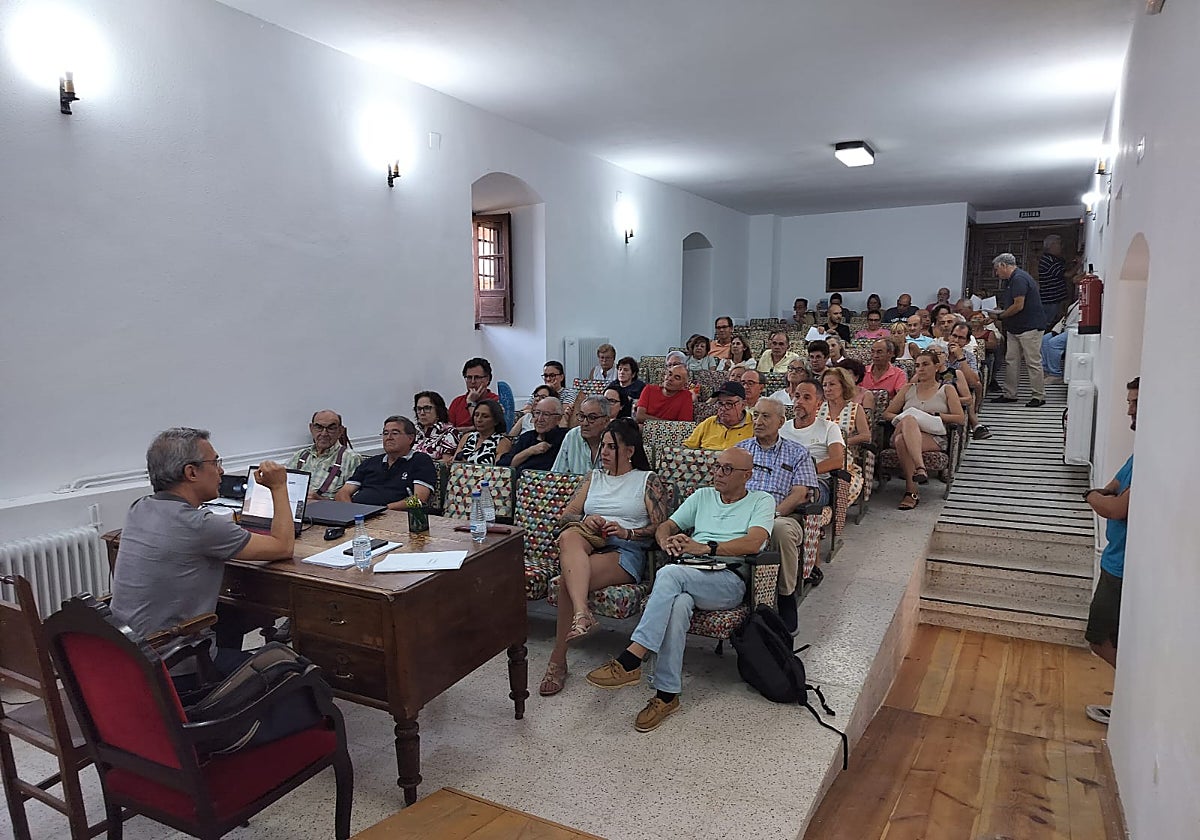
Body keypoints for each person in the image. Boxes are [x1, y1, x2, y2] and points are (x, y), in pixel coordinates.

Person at [585, 447, 774, 731]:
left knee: (670, 574)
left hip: (728, 580)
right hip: (690, 572)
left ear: (747, 476)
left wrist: (706, 547)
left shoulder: (761, 500)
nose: (717, 474)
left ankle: (632, 657)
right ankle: (666, 694)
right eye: (716, 466)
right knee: (679, 604)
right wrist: (666, 542)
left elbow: (754, 542)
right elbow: (666, 525)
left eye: (726, 469)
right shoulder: (703, 496)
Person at [111, 428, 296, 671]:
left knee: (230, 616)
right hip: (174, 663)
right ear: (191, 472)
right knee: (292, 667)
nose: (221, 470)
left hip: (130, 656)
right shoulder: (200, 526)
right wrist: (279, 487)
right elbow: (283, 546)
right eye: (215, 462)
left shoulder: (140, 507)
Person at [539, 420, 670, 697]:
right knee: (569, 536)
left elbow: (662, 528)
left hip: (624, 550)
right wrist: (586, 519)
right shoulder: (593, 477)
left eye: (612, 447)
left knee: (567, 580)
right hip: (588, 541)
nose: (605, 452)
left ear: (630, 451)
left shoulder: (647, 480)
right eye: (604, 446)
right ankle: (582, 613)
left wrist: (628, 531)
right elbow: (566, 516)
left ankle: (558, 660)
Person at [736, 398, 819, 633]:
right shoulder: (740, 450)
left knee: (781, 531)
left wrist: (771, 514)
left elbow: (801, 492)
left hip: (781, 514)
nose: (759, 421)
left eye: (766, 416)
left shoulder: (797, 453)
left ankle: (786, 597)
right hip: (742, 510)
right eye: (756, 415)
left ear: (781, 422)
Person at [1082, 378, 1137, 726]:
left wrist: (1091, 498)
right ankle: (1130, 700)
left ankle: (1135, 697)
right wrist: (1104, 497)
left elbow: (1116, 507)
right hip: (1115, 558)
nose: (1129, 409)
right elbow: (1114, 488)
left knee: (1100, 639)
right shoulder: (1139, 452)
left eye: (1136, 403)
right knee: (1110, 636)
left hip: (1123, 565)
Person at [882, 350, 965, 510]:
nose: (920, 369)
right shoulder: (908, 388)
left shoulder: (947, 389)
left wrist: (934, 414)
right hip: (902, 428)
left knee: (902, 441)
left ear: (936, 367)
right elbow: (887, 413)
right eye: (917, 365)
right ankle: (920, 468)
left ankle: (911, 492)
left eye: (925, 364)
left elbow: (959, 418)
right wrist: (905, 417)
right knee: (909, 419)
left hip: (931, 437)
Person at [337, 416, 437, 509]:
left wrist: (385, 509)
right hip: (358, 515)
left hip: (394, 517)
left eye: (395, 433)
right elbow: (343, 492)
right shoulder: (370, 462)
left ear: (410, 438)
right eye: (385, 433)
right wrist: (351, 511)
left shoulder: (420, 461)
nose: (389, 437)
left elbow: (418, 499)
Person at [990, 252, 1047, 408]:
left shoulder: (1019, 279)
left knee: (1032, 361)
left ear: (1003, 265)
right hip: (1016, 327)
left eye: (997, 269)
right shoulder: (1013, 279)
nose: (996, 273)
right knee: (1011, 361)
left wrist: (1001, 316)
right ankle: (1010, 393)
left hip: (1029, 327)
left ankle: (1038, 395)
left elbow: (1018, 305)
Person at [780, 381, 843, 516]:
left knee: (802, 490)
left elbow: (837, 460)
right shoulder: (782, 428)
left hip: (816, 482)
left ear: (818, 404)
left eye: (807, 397)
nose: (799, 401)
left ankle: (772, 518)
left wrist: (804, 473)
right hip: (782, 477)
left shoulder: (829, 428)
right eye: (797, 396)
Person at [286, 410, 363, 500]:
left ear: (340, 431)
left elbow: (354, 502)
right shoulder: (301, 455)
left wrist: (320, 499)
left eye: (331, 428)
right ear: (311, 428)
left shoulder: (351, 459)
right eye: (319, 427)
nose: (324, 433)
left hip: (326, 512)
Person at [500, 397, 568, 475]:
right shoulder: (526, 437)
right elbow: (504, 467)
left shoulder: (565, 438)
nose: (539, 419)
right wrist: (530, 451)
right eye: (537, 413)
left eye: (546, 414)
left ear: (558, 419)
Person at [947, 322, 990, 440]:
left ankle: (973, 423)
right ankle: (975, 424)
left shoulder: (968, 356)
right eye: (954, 336)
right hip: (939, 389)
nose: (956, 340)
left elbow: (974, 382)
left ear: (966, 342)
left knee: (966, 385)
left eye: (960, 338)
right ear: (949, 337)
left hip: (959, 391)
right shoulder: (938, 352)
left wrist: (961, 358)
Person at [683, 381, 753, 449]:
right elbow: (687, 448)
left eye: (729, 404)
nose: (723, 408)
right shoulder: (709, 423)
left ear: (743, 405)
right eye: (720, 403)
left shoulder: (754, 426)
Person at [553, 396, 613, 474]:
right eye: (582, 416)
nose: (584, 423)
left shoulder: (614, 439)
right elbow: (556, 474)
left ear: (606, 420)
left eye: (592, 418)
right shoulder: (572, 436)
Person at [818, 367, 871, 447]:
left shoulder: (855, 408)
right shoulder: (817, 407)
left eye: (832, 384)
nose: (827, 389)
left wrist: (841, 442)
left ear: (844, 386)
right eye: (824, 385)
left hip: (843, 451)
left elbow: (866, 436)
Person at [452, 399, 512, 464]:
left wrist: (467, 466)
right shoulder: (466, 437)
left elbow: (499, 470)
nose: (479, 419)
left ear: (496, 421)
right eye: (476, 415)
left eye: (485, 416)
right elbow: (454, 462)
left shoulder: (502, 442)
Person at [448, 357, 500, 428]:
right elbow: (448, 431)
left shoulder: (496, 401)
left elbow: (484, 429)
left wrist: (471, 402)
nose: (472, 382)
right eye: (469, 377)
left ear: (487, 379)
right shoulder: (457, 402)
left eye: (477, 377)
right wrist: (470, 428)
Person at [412, 392, 460, 462]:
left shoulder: (449, 433)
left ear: (438, 410)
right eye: (419, 409)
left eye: (427, 408)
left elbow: (445, 463)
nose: (422, 413)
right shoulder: (413, 431)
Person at [1042, 299, 1080, 384]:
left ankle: (1055, 374)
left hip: (1075, 329)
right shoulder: (1078, 300)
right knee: (1045, 339)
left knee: (1054, 343)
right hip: (1066, 327)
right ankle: (1045, 370)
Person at [1037, 235, 1070, 327]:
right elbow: (1067, 274)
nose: (1061, 247)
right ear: (1052, 245)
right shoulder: (1048, 260)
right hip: (1051, 300)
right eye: (1059, 244)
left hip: (1056, 300)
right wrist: (1080, 264)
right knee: (1049, 324)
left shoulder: (1056, 259)